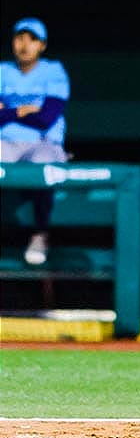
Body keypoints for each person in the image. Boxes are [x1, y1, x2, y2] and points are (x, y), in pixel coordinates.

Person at [0, 17, 70, 265]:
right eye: (20, 38)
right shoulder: (3, 71)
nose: (24, 45)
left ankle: (40, 234)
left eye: (32, 40)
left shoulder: (53, 70)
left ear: (42, 45)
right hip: (5, 144)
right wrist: (21, 111)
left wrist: (6, 111)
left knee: (44, 165)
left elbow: (46, 117)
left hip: (43, 143)